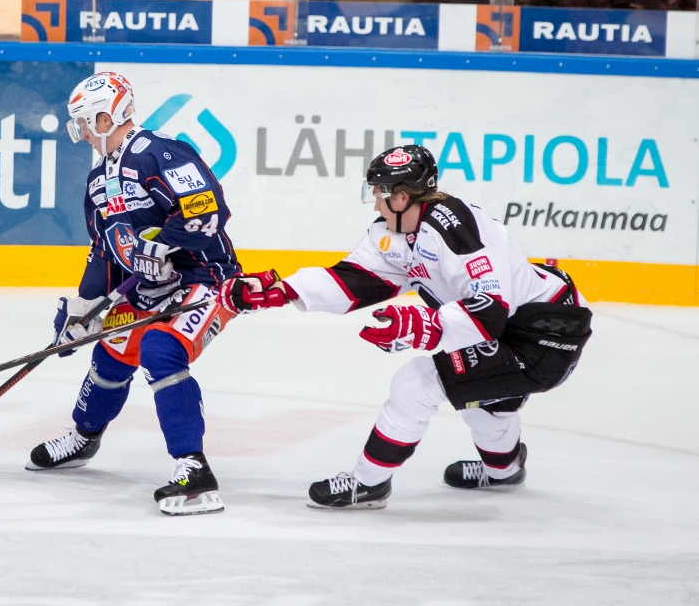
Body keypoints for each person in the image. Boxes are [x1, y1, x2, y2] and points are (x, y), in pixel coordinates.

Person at [218, 145, 592, 509]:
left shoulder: (458, 229)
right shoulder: (393, 233)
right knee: (484, 402)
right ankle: (504, 470)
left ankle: (368, 483)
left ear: (401, 197)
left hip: (547, 332)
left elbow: (490, 312)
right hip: (515, 327)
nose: (375, 202)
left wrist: (424, 324)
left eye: (380, 192)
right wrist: (283, 291)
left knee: (418, 384)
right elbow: (353, 281)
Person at [28, 71, 240, 516]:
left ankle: (194, 469)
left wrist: (164, 243)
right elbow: (104, 253)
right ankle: (84, 438)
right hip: (150, 288)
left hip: (205, 279)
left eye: (85, 123)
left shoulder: (159, 152)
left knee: (161, 350)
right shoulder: (98, 181)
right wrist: (82, 311)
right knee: (109, 352)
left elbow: (208, 209)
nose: (82, 133)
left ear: (106, 118)